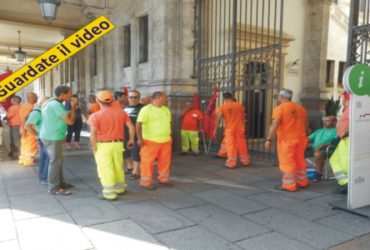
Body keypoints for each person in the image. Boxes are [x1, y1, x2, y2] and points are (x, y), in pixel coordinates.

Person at [88, 90, 135, 200]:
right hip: (118, 144)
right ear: (112, 100)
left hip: (103, 146)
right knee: (118, 166)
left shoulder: (95, 116)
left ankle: (109, 193)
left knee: (106, 169)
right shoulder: (121, 112)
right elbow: (131, 127)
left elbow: (93, 135)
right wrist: (131, 139)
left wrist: (94, 148)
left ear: (97, 101)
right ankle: (120, 188)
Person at [265, 88, 310, 192]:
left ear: (281, 97)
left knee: (287, 162)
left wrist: (268, 139)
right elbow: (306, 126)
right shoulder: (301, 109)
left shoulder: (279, 109)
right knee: (300, 160)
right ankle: (302, 182)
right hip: (300, 139)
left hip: (287, 141)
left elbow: (274, 125)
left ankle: (289, 185)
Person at [40, 86, 77, 196]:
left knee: (58, 161)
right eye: (70, 93)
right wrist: (74, 107)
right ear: (63, 94)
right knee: (55, 162)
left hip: (50, 135)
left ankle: (60, 183)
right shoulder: (56, 104)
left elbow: (57, 118)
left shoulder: (50, 102)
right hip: (53, 137)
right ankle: (53, 187)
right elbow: (70, 122)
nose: (71, 95)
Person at [136, 91, 173, 190]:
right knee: (147, 162)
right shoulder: (146, 109)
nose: (166, 100)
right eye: (165, 98)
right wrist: (140, 139)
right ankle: (145, 182)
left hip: (166, 141)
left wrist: (169, 137)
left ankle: (163, 179)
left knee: (165, 161)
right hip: (150, 141)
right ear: (158, 98)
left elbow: (168, 124)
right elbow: (138, 125)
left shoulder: (166, 110)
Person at [213, 92, 250, 168]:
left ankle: (231, 163)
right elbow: (243, 116)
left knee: (231, 146)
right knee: (242, 145)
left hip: (230, 129)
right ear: (232, 97)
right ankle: (246, 161)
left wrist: (215, 130)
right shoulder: (240, 105)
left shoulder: (223, 107)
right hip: (240, 128)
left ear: (224, 99)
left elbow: (218, 119)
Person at [25, 97, 50, 184]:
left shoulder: (42, 111)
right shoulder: (36, 112)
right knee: (49, 158)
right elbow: (27, 126)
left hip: (45, 138)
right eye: (48, 102)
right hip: (43, 138)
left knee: (44, 158)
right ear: (41, 103)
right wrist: (38, 134)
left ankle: (43, 177)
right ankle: (45, 177)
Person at [329, 92, 350, 194]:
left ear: (347, 99)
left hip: (346, 140)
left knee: (345, 164)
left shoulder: (352, 108)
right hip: (344, 140)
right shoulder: (348, 109)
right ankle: (345, 183)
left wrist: (344, 132)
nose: (342, 100)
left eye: (343, 98)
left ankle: (347, 184)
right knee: (335, 160)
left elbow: (352, 122)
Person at [308, 116, 337, 181]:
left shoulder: (336, 131)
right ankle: (297, 173)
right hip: (315, 149)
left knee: (318, 154)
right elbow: (308, 139)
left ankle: (319, 174)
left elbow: (336, 141)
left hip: (330, 150)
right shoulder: (319, 131)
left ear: (334, 122)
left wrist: (322, 145)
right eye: (324, 121)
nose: (324, 123)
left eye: (327, 121)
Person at [124, 90, 144, 179]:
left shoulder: (143, 108)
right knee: (125, 153)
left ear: (139, 98)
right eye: (131, 97)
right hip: (124, 134)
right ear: (128, 98)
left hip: (137, 135)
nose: (133, 99)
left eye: (136, 97)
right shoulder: (123, 108)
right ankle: (130, 167)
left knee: (136, 153)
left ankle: (136, 172)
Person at [18, 92, 39, 166]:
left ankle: (23, 159)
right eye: (36, 97)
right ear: (31, 98)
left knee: (24, 144)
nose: (37, 98)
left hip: (24, 128)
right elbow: (26, 118)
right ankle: (28, 161)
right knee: (31, 144)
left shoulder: (23, 107)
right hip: (30, 129)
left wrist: (22, 127)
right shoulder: (31, 108)